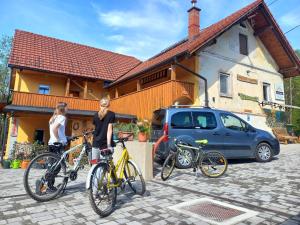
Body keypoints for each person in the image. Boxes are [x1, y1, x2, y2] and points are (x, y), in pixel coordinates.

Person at [91, 97, 115, 164]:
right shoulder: (111, 114)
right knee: (104, 166)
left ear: (100, 105)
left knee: (94, 164)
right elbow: (109, 130)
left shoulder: (95, 115)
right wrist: (109, 145)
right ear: (108, 105)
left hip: (95, 143)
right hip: (104, 145)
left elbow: (95, 129)